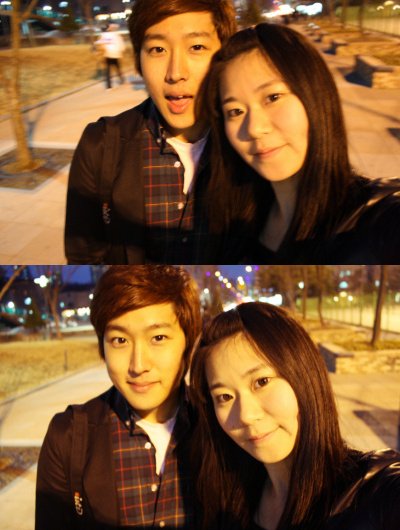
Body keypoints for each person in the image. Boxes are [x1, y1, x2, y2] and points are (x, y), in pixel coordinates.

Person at [190, 301, 400, 530]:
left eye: (262, 382)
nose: (246, 415)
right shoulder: (226, 497)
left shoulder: (374, 493)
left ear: (303, 374)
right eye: (225, 397)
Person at [202, 23, 400, 264]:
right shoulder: (233, 218)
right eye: (235, 111)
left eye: (273, 97)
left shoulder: (375, 218)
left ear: (314, 94)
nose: (254, 128)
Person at [64, 0, 237, 264]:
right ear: (138, 62)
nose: (175, 73)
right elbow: (84, 254)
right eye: (158, 49)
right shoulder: (100, 144)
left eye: (196, 47)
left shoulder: (248, 144)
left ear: (225, 57)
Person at [35, 265, 202, 529]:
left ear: (188, 343)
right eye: (120, 341)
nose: (138, 365)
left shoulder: (219, 427)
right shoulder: (68, 436)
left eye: (158, 337)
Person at [95, 23, 126, 89]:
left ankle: (109, 86)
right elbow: (122, 45)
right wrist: (121, 51)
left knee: (108, 71)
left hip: (108, 54)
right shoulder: (116, 35)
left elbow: (98, 43)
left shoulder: (103, 35)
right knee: (118, 68)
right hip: (116, 54)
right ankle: (122, 80)